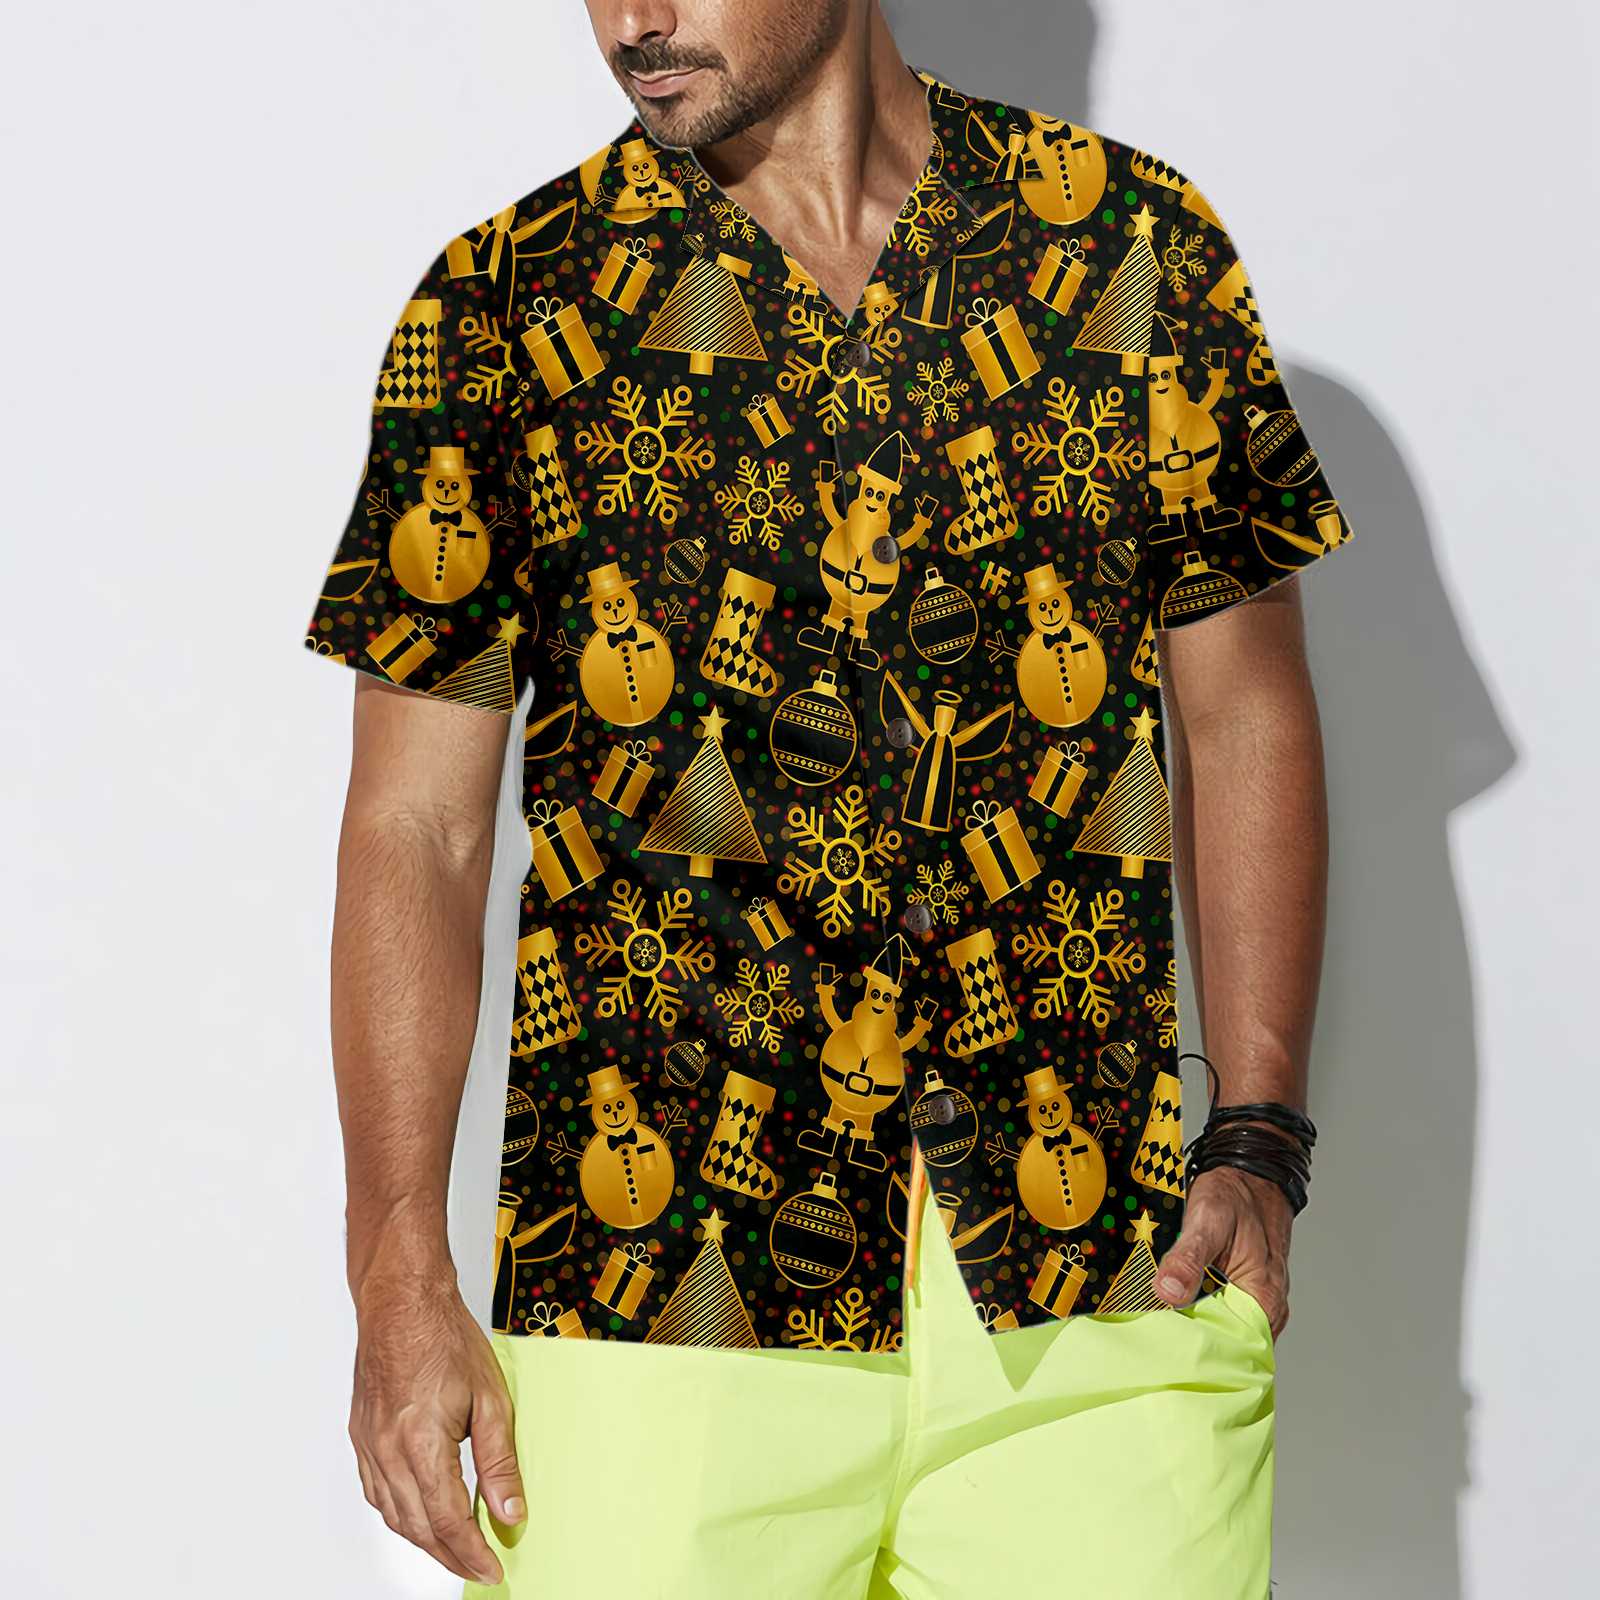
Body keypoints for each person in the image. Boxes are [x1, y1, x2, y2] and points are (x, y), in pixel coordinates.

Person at [299, 2, 1352, 1593]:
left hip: (1102, 1289)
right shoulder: (506, 307)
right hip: (652, 1305)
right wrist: (395, 1276)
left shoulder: (1132, 245)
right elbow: (416, 828)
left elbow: (1248, 705)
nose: (635, 20)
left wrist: (1260, 1136)